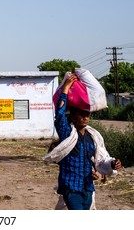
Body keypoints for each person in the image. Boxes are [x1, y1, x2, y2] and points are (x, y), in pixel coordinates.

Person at [44, 73, 122, 210]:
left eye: (87, 115)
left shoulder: (93, 137)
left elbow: (100, 159)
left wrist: (112, 164)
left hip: (88, 189)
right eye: (82, 114)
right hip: (71, 188)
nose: (86, 118)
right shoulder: (67, 134)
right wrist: (66, 87)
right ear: (73, 116)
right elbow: (60, 115)